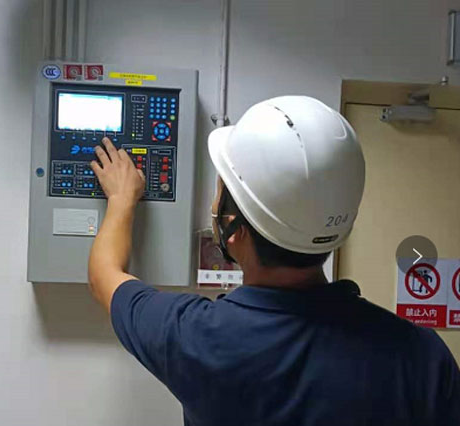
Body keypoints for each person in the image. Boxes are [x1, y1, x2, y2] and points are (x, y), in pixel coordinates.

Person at [87, 96, 459, 426]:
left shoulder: (195, 337)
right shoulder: (422, 355)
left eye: (220, 192)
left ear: (234, 229)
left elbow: (104, 274)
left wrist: (121, 199)